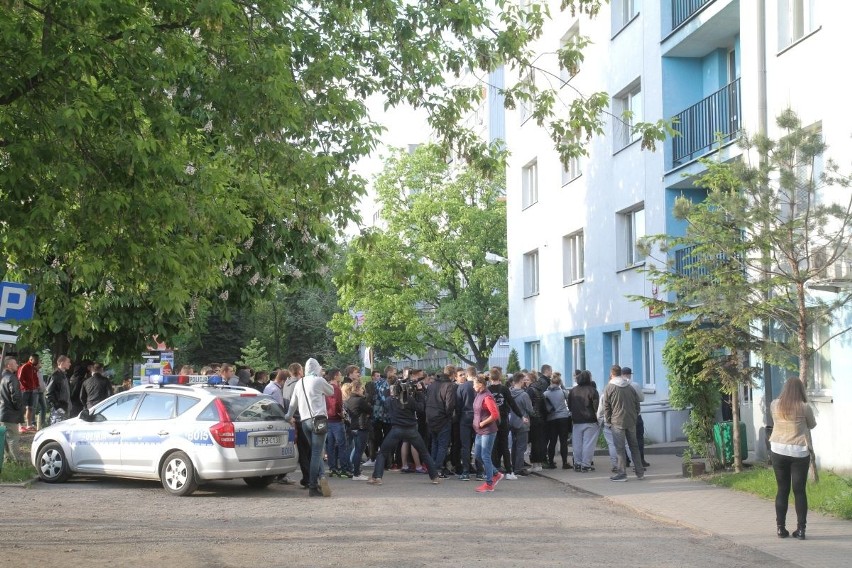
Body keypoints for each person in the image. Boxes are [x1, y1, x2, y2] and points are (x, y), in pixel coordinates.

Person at [368, 368, 440, 486]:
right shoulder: (410, 400)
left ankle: (377, 477)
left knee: (383, 453)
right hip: (411, 429)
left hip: (396, 429)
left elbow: (386, 401)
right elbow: (421, 408)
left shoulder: (391, 400)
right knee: (424, 452)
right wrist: (420, 393)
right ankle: (435, 477)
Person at [769, 377, 816, 540]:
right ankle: (801, 530)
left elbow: (774, 421)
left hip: (778, 449)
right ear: (801, 390)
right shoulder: (804, 407)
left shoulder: (775, 404)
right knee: (799, 491)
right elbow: (812, 425)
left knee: (782, 489)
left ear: (785, 389)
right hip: (799, 451)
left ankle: (780, 529)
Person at [284, 358, 334, 497]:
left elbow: (293, 404)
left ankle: (322, 477)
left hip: (305, 421)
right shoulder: (319, 380)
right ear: (317, 368)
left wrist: (288, 417)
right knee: (317, 454)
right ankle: (313, 486)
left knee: (315, 453)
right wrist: (322, 378)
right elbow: (331, 392)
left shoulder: (300, 382)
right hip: (319, 420)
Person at [602, 365, 644, 482]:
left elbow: (606, 406)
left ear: (611, 374)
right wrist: (634, 416)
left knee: (620, 448)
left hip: (617, 422)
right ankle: (640, 472)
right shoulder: (630, 387)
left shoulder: (609, 388)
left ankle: (622, 474)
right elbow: (637, 404)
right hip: (631, 421)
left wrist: (609, 421)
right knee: (634, 447)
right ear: (620, 373)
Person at [487, 367, 523, 479]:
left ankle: (493, 471)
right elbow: (512, 404)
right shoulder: (504, 389)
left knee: (492, 446)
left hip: (491, 421)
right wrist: (521, 415)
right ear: (500, 377)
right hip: (503, 421)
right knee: (504, 446)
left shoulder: (487, 390)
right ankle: (509, 471)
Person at [472, 375, 502, 493]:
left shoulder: (487, 397)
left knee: (485, 455)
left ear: (480, 385)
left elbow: (495, 415)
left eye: (474, 384)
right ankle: (495, 473)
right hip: (479, 430)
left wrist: (482, 423)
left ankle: (489, 483)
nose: (473, 386)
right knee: (478, 456)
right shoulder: (479, 394)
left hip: (488, 430)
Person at [425, 364, 457, 478]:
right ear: (453, 374)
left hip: (430, 417)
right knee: (442, 445)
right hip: (442, 418)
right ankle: (437, 469)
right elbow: (450, 405)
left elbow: (427, 400)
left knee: (435, 443)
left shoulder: (432, 384)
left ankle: (432, 467)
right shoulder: (450, 386)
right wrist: (449, 416)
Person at [568, 370, 599, 472]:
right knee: (588, 443)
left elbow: (569, 406)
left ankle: (577, 463)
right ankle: (586, 464)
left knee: (577, 443)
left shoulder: (573, 391)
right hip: (590, 420)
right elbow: (596, 407)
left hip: (576, 420)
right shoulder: (592, 390)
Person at [324, 368, 352, 478]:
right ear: (335, 376)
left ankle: (333, 468)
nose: (341, 376)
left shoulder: (325, 388)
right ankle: (344, 469)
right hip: (336, 419)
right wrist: (340, 414)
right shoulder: (336, 389)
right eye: (339, 375)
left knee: (330, 446)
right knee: (342, 445)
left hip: (327, 419)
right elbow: (338, 403)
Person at [621, 367, 650, 468]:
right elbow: (641, 398)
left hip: (622, 416)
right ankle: (640, 460)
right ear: (629, 374)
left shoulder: (614, 385)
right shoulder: (634, 385)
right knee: (638, 439)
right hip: (635, 415)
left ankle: (626, 460)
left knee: (623, 440)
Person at [543, 374, 572, 470]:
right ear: (559, 382)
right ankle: (564, 463)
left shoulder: (546, 393)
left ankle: (551, 462)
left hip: (551, 419)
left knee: (552, 441)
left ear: (551, 382)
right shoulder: (563, 392)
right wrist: (562, 386)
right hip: (563, 417)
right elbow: (569, 400)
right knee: (563, 441)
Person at [344, 381, 372, 480]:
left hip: (353, 426)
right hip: (362, 427)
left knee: (356, 450)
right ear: (357, 388)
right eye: (361, 389)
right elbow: (370, 409)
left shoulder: (348, 400)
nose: (363, 390)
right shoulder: (360, 400)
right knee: (359, 451)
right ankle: (356, 473)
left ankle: (356, 471)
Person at [508, 372, 532, 476]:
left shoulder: (509, 392)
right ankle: (519, 468)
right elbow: (530, 409)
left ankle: (513, 466)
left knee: (514, 445)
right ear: (521, 381)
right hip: (522, 422)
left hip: (512, 422)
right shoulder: (524, 395)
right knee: (521, 447)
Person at [1, 357, 23, 463]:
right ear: (8, 365)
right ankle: (17, 461)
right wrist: (18, 408)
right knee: (13, 437)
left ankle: (7, 459)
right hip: (11, 413)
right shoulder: (12, 378)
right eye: (15, 363)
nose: (17, 364)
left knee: (5, 438)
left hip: (2, 412)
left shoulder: (2, 377)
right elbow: (16, 396)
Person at [17, 353, 40, 432]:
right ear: (31, 359)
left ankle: (28, 425)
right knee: (22, 408)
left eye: (38, 360)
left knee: (30, 408)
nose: (37, 361)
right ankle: (20, 426)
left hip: (32, 390)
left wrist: (37, 386)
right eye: (36, 360)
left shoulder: (34, 368)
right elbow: (19, 378)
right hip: (24, 390)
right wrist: (24, 387)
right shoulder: (24, 366)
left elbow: (35, 378)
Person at [46, 355, 72, 424]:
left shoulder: (64, 375)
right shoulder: (55, 375)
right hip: (58, 410)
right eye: (68, 362)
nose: (70, 364)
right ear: (62, 363)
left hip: (65, 408)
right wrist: (57, 407)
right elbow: (48, 393)